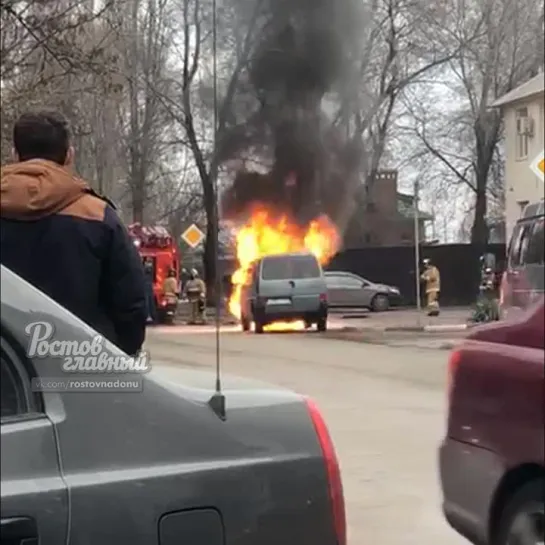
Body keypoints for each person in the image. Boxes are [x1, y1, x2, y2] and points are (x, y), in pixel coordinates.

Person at [0, 110, 147, 355]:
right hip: (79, 368)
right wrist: (118, 356)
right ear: (69, 155)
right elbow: (130, 304)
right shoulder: (97, 214)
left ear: (15, 155)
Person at [143, 258, 157, 324]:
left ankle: (148, 315)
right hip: (148, 285)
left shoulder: (148, 268)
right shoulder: (150, 269)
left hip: (146, 285)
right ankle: (151, 315)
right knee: (149, 301)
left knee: (147, 301)